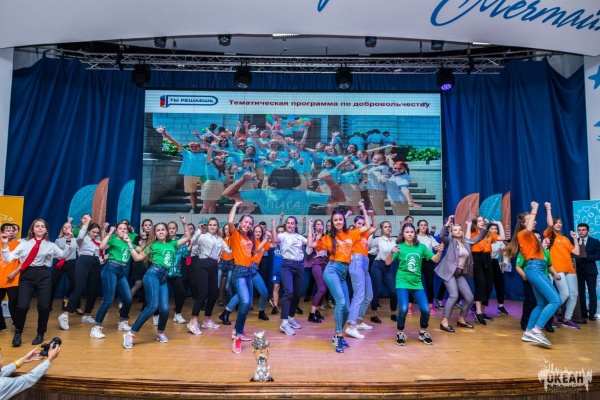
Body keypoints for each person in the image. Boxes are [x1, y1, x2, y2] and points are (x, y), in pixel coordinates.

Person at [306, 201, 371, 353]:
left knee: (347, 309)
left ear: (344, 221)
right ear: (332, 222)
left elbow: (367, 226)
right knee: (341, 302)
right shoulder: (328, 238)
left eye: (340, 219)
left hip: (343, 273)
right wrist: (310, 227)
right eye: (335, 220)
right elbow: (310, 244)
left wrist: (363, 209)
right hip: (332, 270)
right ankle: (338, 335)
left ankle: (338, 335)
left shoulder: (351, 234)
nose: (338, 222)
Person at [122, 216, 191, 349]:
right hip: (152, 275)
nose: (160, 232)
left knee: (165, 309)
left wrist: (184, 223)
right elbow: (137, 258)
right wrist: (129, 244)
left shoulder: (172, 244)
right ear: (155, 233)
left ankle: (160, 332)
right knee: (152, 306)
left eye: (162, 230)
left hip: (163, 277)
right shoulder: (152, 246)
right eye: (158, 230)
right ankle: (130, 333)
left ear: (166, 232)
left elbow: (187, 237)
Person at [2, 220, 73, 347]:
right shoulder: (24, 244)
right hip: (27, 276)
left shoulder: (50, 245)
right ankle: (18, 332)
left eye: (42, 226)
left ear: (46, 230)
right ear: (32, 229)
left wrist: (68, 241)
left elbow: (63, 255)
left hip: (43, 275)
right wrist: (5, 244)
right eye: (37, 226)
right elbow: (8, 258)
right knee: (22, 306)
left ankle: (40, 333)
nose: (40, 228)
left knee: (44, 307)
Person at [503, 202, 561, 346]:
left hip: (537, 268)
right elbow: (529, 228)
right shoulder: (523, 233)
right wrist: (534, 209)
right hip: (534, 268)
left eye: (533, 219)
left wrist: (548, 208)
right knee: (556, 301)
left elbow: (550, 225)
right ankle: (537, 330)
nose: (534, 221)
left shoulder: (533, 237)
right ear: (524, 223)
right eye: (530, 219)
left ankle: (528, 331)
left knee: (541, 303)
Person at [386, 223, 443, 346]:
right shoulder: (399, 247)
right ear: (403, 234)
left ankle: (423, 332)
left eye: (411, 232)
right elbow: (388, 262)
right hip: (402, 281)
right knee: (403, 308)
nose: (409, 234)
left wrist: (439, 252)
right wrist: (391, 252)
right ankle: (400, 333)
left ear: (415, 233)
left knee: (425, 310)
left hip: (416, 282)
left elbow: (435, 259)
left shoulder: (421, 247)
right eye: (407, 232)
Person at [227, 202, 270, 354]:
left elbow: (256, 251)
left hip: (249, 273)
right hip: (239, 273)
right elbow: (230, 222)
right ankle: (238, 336)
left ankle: (237, 330)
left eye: (250, 223)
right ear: (240, 223)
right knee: (245, 302)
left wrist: (266, 239)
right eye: (245, 222)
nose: (247, 225)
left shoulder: (249, 239)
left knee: (247, 303)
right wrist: (235, 206)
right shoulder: (235, 235)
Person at [89, 222, 141, 339]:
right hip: (110, 270)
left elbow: (140, 249)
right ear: (116, 231)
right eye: (120, 229)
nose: (123, 230)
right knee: (108, 300)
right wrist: (110, 233)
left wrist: (138, 240)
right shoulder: (113, 239)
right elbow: (102, 247)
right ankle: (96, 328)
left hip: (121, 271)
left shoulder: (128, 242)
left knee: (128, 299)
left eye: (125, 229)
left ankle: (122, 322)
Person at [434, 216, 486, 332]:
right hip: (448, 272)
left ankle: (461, 319)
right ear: (452, 233)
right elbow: (441, 236)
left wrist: (484, 226)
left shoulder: (466, 242)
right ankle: (444, 322)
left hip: (459, 273)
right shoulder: (451, 241)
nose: (458, 231)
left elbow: (479, 238)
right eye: (455, 230)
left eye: (460, 229)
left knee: (469, 297)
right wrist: (448, 223)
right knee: (454, 295)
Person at [223, 167, 345, 215]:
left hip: (270, 234)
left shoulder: (262, 193)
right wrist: (330, 181)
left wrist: (243, 179)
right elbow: (339, 199)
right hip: (297, 234)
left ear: (272, 179)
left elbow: (227, 194)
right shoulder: (305, 194)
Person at [186, 218, 232, 335]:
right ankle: (193, 321)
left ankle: (207, 320)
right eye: (210, 224)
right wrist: (199, 230)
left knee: (214, 294)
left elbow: (229, 251)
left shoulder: (219, 239)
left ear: (217, 227)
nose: (212, 226)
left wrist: (235, 242)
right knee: (203, 293)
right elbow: (192, 241)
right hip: (202, 265)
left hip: (214, 266)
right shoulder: (203, 236)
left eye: (214, 225)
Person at [59, 217, 104, 332]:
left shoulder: (99, 242)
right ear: (88, 231)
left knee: (93, 289)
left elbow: (100, 256)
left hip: (95, 262)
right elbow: (80, 236)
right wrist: (86, 223)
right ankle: (65, 315)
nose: (95, 234)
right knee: (79, 287)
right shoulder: (82, 239)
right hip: (83, 261)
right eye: (93, 232)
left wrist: (104, 259)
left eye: (97, 233)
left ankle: (87, 315)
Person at [543, 206, 580, 328]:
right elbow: (549, 224)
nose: (558, 224)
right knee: (565, 293)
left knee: (573, 294)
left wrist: (575, 238)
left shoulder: (565, 239)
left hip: (570, 269)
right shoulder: (549, 235)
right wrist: (549, 209)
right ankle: (550, 315)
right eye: (556, 223)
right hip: (557, 268)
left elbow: (576, 252)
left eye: (560, 222)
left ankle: (567, 319)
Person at [156, 126, 206, 213]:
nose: (194, 148)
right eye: (192, 147)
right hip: (190, 176)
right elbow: (176, 143)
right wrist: (165, 134)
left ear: (199, 147)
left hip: (203, 176)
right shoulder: (186, 153)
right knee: (192, 193)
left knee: (206, 193)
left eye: (196, 146)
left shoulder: (205, 155)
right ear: (189, 148)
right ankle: (194, 208)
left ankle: (205, 208)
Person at [272, 216, 307, 335]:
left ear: (295, 225)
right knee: (289, 292)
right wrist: (273, 225)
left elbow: (311, 244)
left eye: (292, 223)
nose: (290, 225)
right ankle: (284, 323)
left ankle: (291, 318)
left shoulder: (299, 237)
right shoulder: (282, 236)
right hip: (287, 265)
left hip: (299, 265)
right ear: (286, 224)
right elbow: (275, 240)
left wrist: (311, 228)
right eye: (288, 223)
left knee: (297, 294)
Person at [345, 212, 377, 340]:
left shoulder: (365, 234)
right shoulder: (352, 233)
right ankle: (351, 326)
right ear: (354, 224)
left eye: (363, 223)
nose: (362, 225)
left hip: (365, 263)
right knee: (359, 295)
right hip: (356, 262)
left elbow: (374, 227)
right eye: (359, 223)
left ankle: (358, 321)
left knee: (368, 295)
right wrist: (363, 210)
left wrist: (372, 216)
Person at [470, 215, 505, 325]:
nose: (482, 222)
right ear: (475, 223)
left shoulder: (489, 234)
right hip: (477, 258)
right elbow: (470, 240)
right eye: (479, 221)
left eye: (482, 220)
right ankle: (478, 312)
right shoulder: (473, 233)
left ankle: (482, 312)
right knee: (480, 284)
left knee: (488, 286)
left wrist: (499, 224)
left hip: (487, 258)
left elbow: (503, 237)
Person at [368, 221, 398, 324]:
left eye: (389, 226)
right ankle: (374, 314)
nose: (388, 228)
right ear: (381, 229)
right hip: (377, 265)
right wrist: (372, 231)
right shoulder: (378, 240)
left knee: (393, 291)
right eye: (385, 227)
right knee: (377, 290)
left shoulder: (394, 240)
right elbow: (368, 245)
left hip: (387, 267)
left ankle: (393, 313)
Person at [575, 223, 600, 321]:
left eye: (583, 230)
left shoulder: (595, 241)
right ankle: (583, 313)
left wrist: (586, 256)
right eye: (579, 230)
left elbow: (598, 255)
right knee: (580, 292)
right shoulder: (575, 241)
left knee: (592, 292)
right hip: (578, 271)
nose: (581, 232)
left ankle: (592, 313)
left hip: (590, 270)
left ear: (588, 231)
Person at [305, 219, 328, 323]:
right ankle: (312, 313)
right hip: (316, 263)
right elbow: (308, 251)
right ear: (315, 226)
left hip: (325, 263)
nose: (320, 226)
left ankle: (317, 310)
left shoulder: (326, 237)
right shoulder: (313, 237)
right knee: (321, 288)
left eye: (321, 224)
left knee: (325, 289)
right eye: (318, 224)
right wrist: (314, 237)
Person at [416, 220, 439, 315]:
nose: (423, 226)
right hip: (418, 261)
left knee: (430, 283)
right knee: (414, 282)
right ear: (418, 227)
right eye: (421, 225)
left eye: (425, 225)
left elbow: (436, 246)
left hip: (429, 262)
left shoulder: (430, 237)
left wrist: (438, 247)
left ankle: (430, 305)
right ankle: (409, 306)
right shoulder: (415, 237)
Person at [0, 223, 21, 332]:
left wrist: (15, 271)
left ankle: (18, 325)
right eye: (8, 230)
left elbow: (24, 262)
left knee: (13, 303)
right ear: (2, 232)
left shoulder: (19, 245)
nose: (11, 232)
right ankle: (1, 325)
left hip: (13, 279)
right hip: (0, 278)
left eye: (13, 230)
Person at [489, 224, 509, 315]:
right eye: (492, 229)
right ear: (488, 230)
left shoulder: (499, 241)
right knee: (486, 286)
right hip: (485, 263)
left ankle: (501, 305)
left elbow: (505, 252)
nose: (494, 230)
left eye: (496, 229)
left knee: (499, 284)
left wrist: (505, 261)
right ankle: (478, 305)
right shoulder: (484, 239)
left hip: (495, 262)